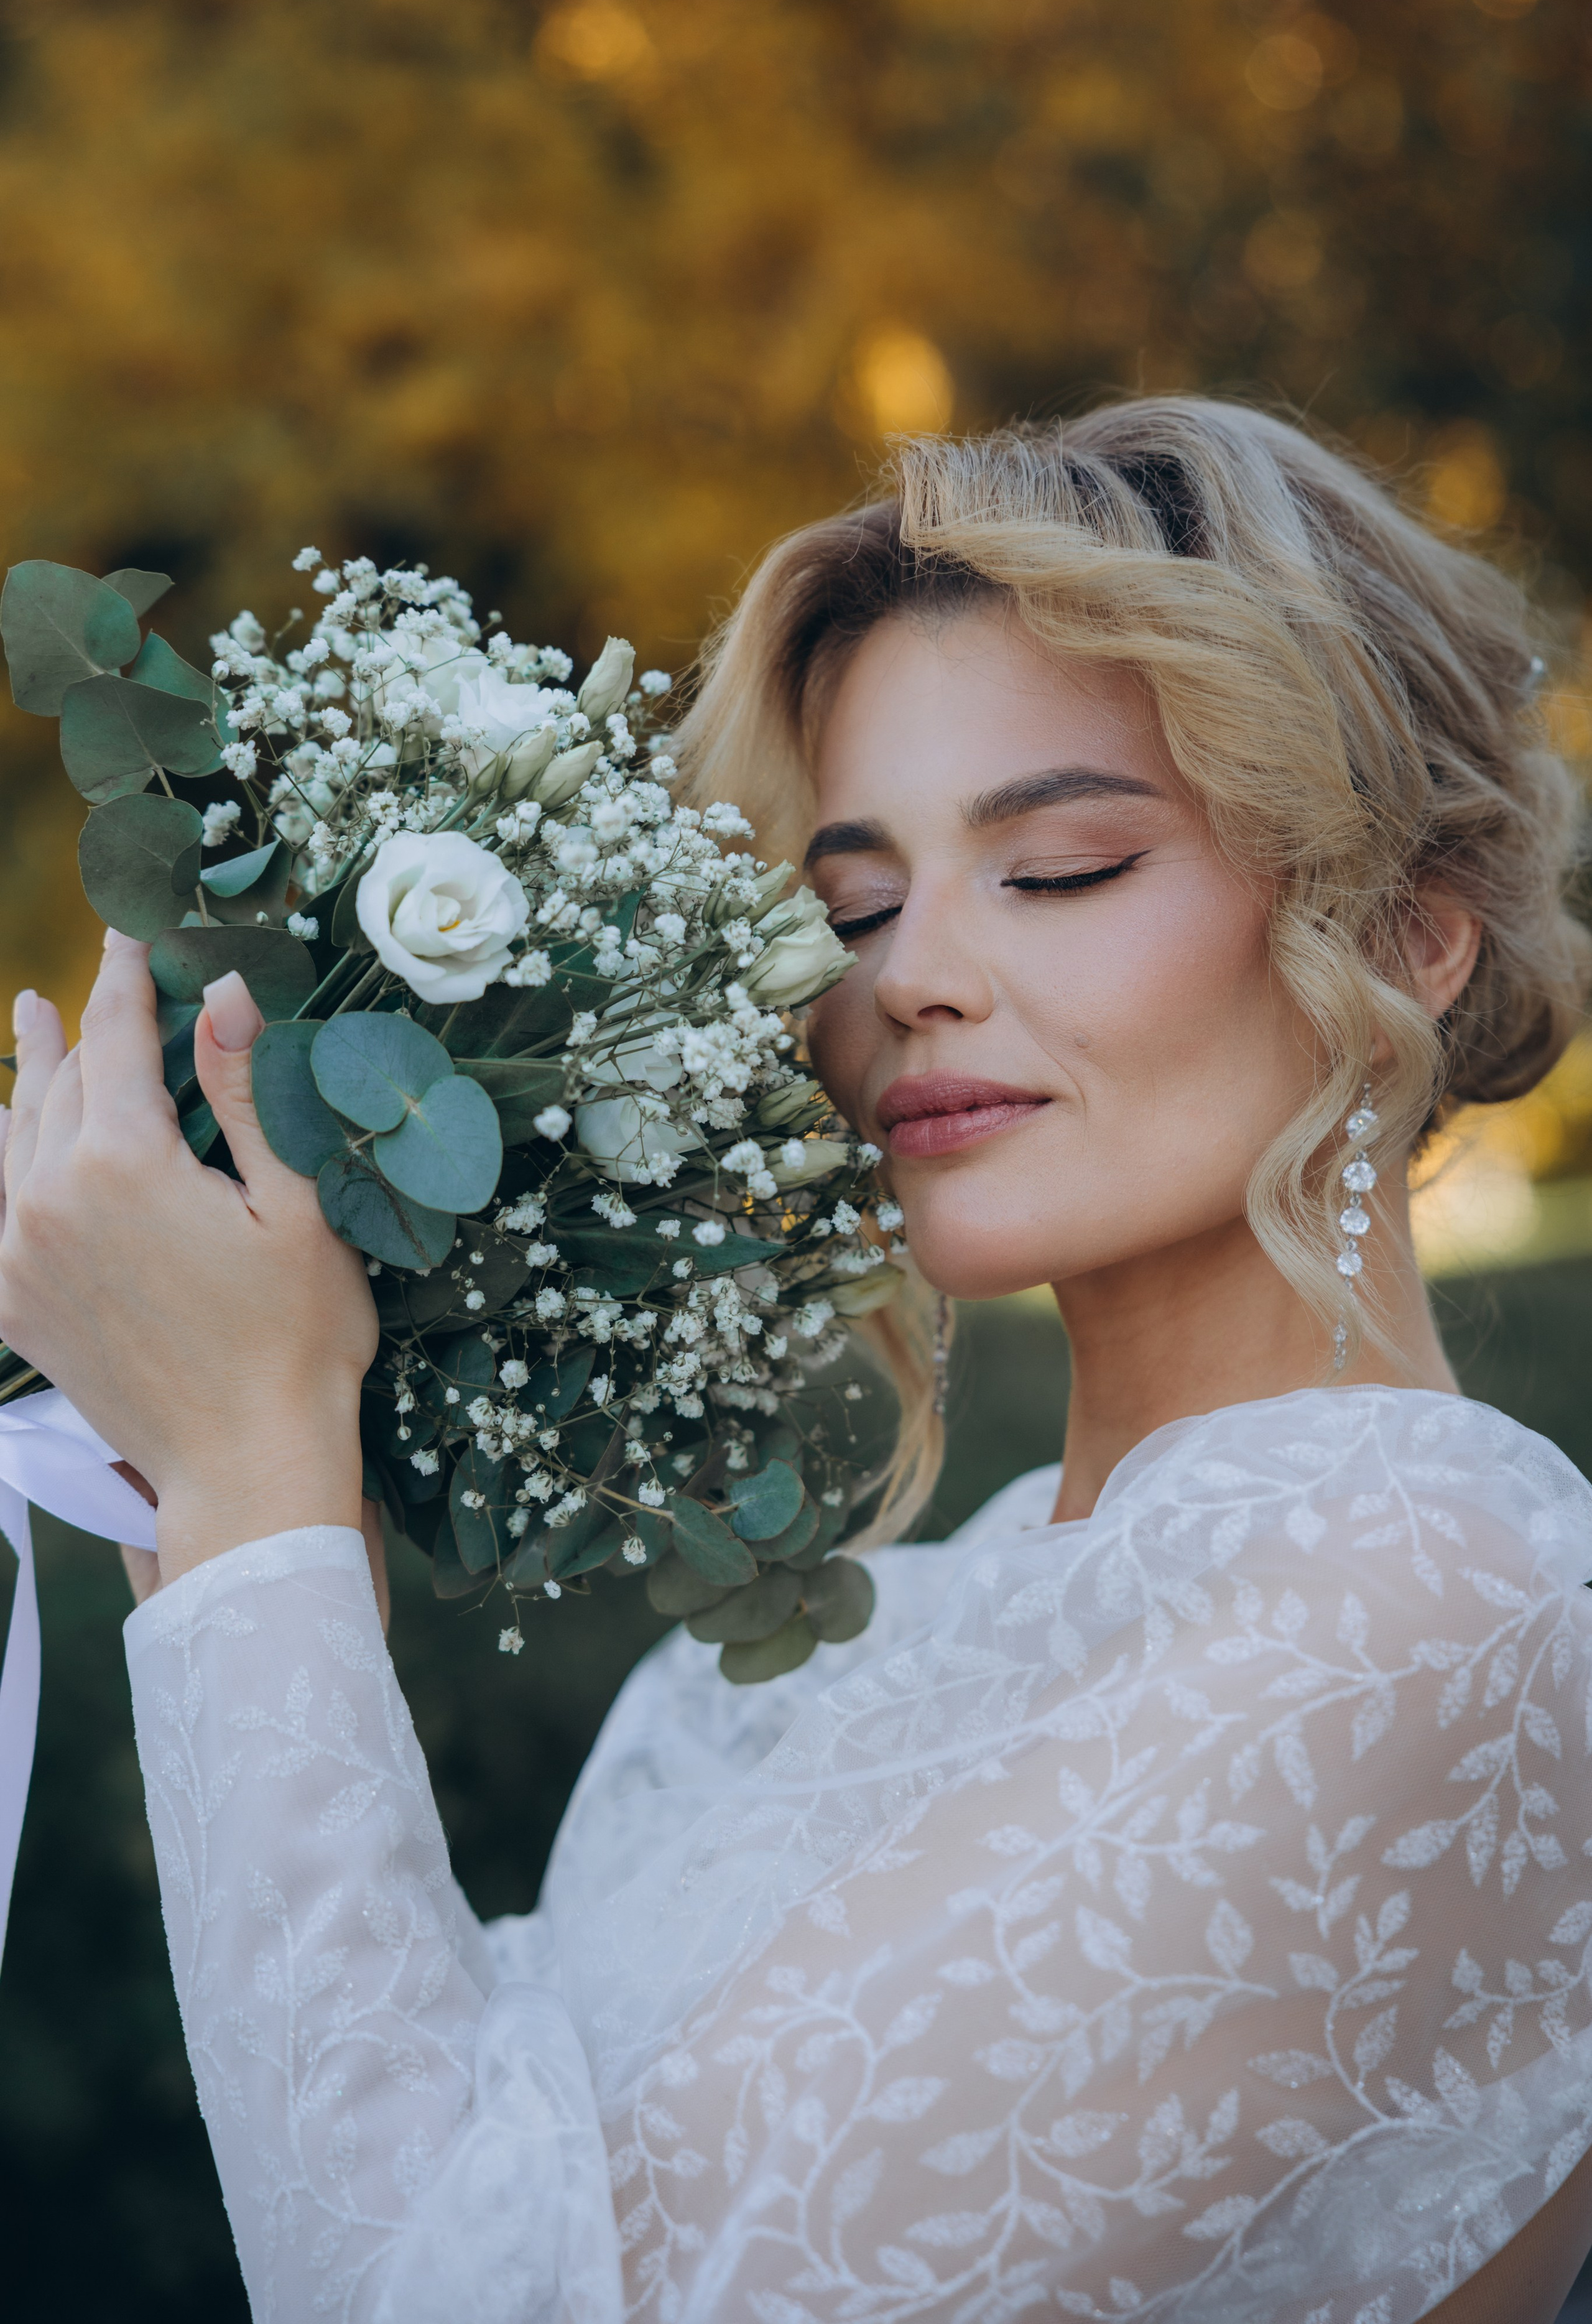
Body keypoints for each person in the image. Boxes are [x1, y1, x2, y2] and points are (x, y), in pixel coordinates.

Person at [2, 397, 1592, 2324]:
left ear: (1408, 934)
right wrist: (216, 1458)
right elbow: (444, 2154)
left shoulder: (1438, 1595)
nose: (905, 973)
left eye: (1063, 866)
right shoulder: (804, 1665)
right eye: (853, 902)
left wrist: (258, 1475)